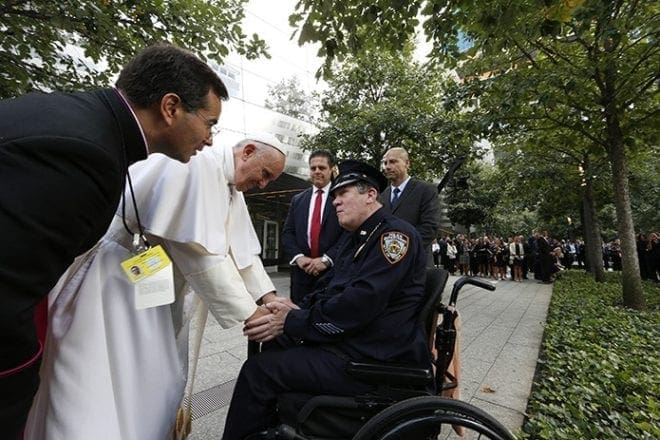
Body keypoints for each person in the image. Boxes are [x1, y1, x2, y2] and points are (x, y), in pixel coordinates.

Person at [0, 42, 228, 438]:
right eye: (209, 123)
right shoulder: (87, 154)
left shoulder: (85, 121)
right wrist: (17, 381)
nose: (209, 139)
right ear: (170, 108)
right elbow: (9, 287)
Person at [24, 136, 288, 439]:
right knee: (106, 375)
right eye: (265, 174)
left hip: (153, 289)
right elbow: (198, 252)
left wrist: (268, 296)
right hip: (115, 283)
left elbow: (239, 250)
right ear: (248, 152)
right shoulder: (197, 163)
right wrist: (250, 313)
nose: (264, 185)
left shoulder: (230, 185)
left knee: (150, 376)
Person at [222, 160, 432, 440]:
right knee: (272, 341)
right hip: (354, 342)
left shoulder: (393, 237)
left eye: (343, 193)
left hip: (372, 356)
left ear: (370, 194)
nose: (335, 202)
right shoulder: (356, 237)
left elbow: (359, 304)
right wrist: (295, 308)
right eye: (334, 195)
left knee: (257, 372)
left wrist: (293, 321)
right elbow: (328, 287)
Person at [282, 150, 345, 304]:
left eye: (322, 168)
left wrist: (326, 260)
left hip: (332, 275)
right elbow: (288, 233)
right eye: (313, 168)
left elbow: (348, 234)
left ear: (332, 170)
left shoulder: (342, 197)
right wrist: (299, 257)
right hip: (301, 277)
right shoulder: (298, 200)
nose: (317, 171)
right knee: (298, 318)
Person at [380, 147, 440, 264]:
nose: (387, 167)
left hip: (416, 263)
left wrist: (400, 250)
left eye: (393, 161)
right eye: (385, 163)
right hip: (387, 265)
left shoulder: (426, 190)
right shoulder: (381, 196)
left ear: (407, 163)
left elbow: (430, 227)